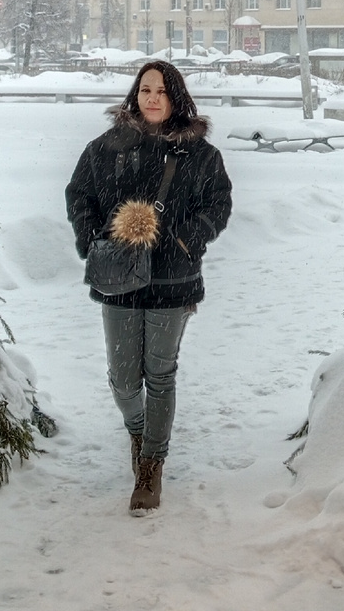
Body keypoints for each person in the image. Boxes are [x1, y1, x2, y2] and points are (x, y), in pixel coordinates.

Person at [66, 60, 232, 514]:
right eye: (145, 90)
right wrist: (92, 240)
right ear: (135, 96)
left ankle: (150, 466)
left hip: (173, 280)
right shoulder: (106, 147)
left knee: (160, 375)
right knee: (123, 379)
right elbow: (79, 193)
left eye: (161, 90)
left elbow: (219, 202)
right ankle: (139, 431)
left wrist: (186, 237)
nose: (153, 98)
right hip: (118, 280)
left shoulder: (200, 154)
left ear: (176, 97)